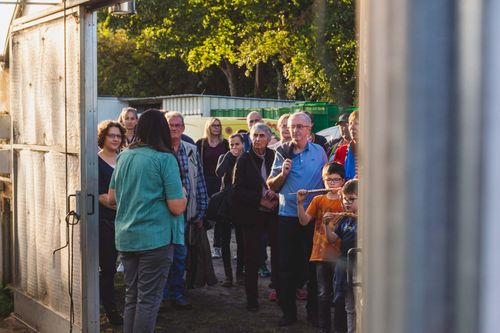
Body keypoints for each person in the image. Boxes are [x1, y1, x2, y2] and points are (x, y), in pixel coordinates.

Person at [107, 109, 187, 333]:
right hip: (155, 240)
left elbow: (112, 198)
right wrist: (183, 194)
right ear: (162, 129)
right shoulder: (165, 159)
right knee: (148, 301)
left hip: (126, 238)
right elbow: (177, 206)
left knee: (132, 297)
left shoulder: (123, 156)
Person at [267, 112, 328, 327]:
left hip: (312, 218)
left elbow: (328, 181)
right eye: (293, 126)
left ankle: (313, 312)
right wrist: (283, 174)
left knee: (312, 267)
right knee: (286, 266)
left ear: (309, 128)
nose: (296, 131)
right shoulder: (282, 153)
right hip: (287, 217)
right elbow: (271, 185)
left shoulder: (320, 152)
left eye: (300, 126)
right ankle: (288, 312)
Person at [164, 111, 215, 308]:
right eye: (170, 125)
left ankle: (176, 292)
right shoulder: (160, 150)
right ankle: (161, 294)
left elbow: (200, 181)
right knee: (162, 256)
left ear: (183, 128)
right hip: (164, 214)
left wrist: (201, 212)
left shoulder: (191, 150)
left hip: (186, 214)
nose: (174, 128)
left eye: (177, 125)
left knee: (181, 255)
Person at [232, 123, 279, 312]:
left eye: (261, 136)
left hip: (274, 213)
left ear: (268, 138)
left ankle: (279, 292)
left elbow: (281, 181)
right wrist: (259, 200)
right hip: (252, 215)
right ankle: (252, 299)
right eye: (255, 135)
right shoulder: (243, 159)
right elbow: (236, 190)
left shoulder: (274, 156)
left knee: (277, 255)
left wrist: (274, 197)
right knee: (252, 259)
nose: (258, 139)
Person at [297, 162, 345, 333]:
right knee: (323, 294)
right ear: (323, 181)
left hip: (341, 255)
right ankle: (324, 328)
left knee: (339, 295)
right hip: (320, 254)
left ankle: (341, 328)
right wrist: (300, 204)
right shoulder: (318, 199)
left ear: (343, 181)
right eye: (328, 180)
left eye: (335, 180)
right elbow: (304, 221)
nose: (332, 183)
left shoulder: (346, 200)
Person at [97, 120, 126, 325]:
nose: (115, 139)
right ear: (103, 138)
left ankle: (134, 309)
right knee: (108, 269)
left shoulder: (124, 159)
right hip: (107, 223)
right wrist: (124, 205)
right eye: (111, 135)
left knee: (131, 267)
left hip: (127, 222)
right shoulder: (96, 162)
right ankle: (111, 311)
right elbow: (100, 196)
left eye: (118, 135)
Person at [324, 179, 359, 333]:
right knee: (348, 306)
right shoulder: (344, 219)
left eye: (352, 199)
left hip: (360, 267)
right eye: (345, 199)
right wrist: (326, 225)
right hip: (344, 267)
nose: (347, 203)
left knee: (361, 305)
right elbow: (332, 239)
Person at [215, 133, 246, 287]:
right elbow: (218, 173)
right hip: (225, 204)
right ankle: (228, 275)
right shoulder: (225, 157)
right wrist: (228, 156)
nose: (234, 147)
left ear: (243, 145)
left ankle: (240, 273)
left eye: (237, 144)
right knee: (225, 241)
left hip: (240, 204)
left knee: (241, 241)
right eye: (231, 144)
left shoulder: (246, 158)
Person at [196, 117, 229, 260]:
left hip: (220, 182)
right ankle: (201, 246)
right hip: (204, 181)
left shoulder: (225, 143)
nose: (216, 128)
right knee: (203, 214)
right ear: (208, 127)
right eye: (214, 125)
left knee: (219, 215)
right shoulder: (201, 143)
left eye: (218, 125)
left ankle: (217, 246)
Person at [333, 111, 359, 180]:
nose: (352, 127)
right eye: (350, 123)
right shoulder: (341, 151)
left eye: (357, 123)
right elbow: (335, 179)